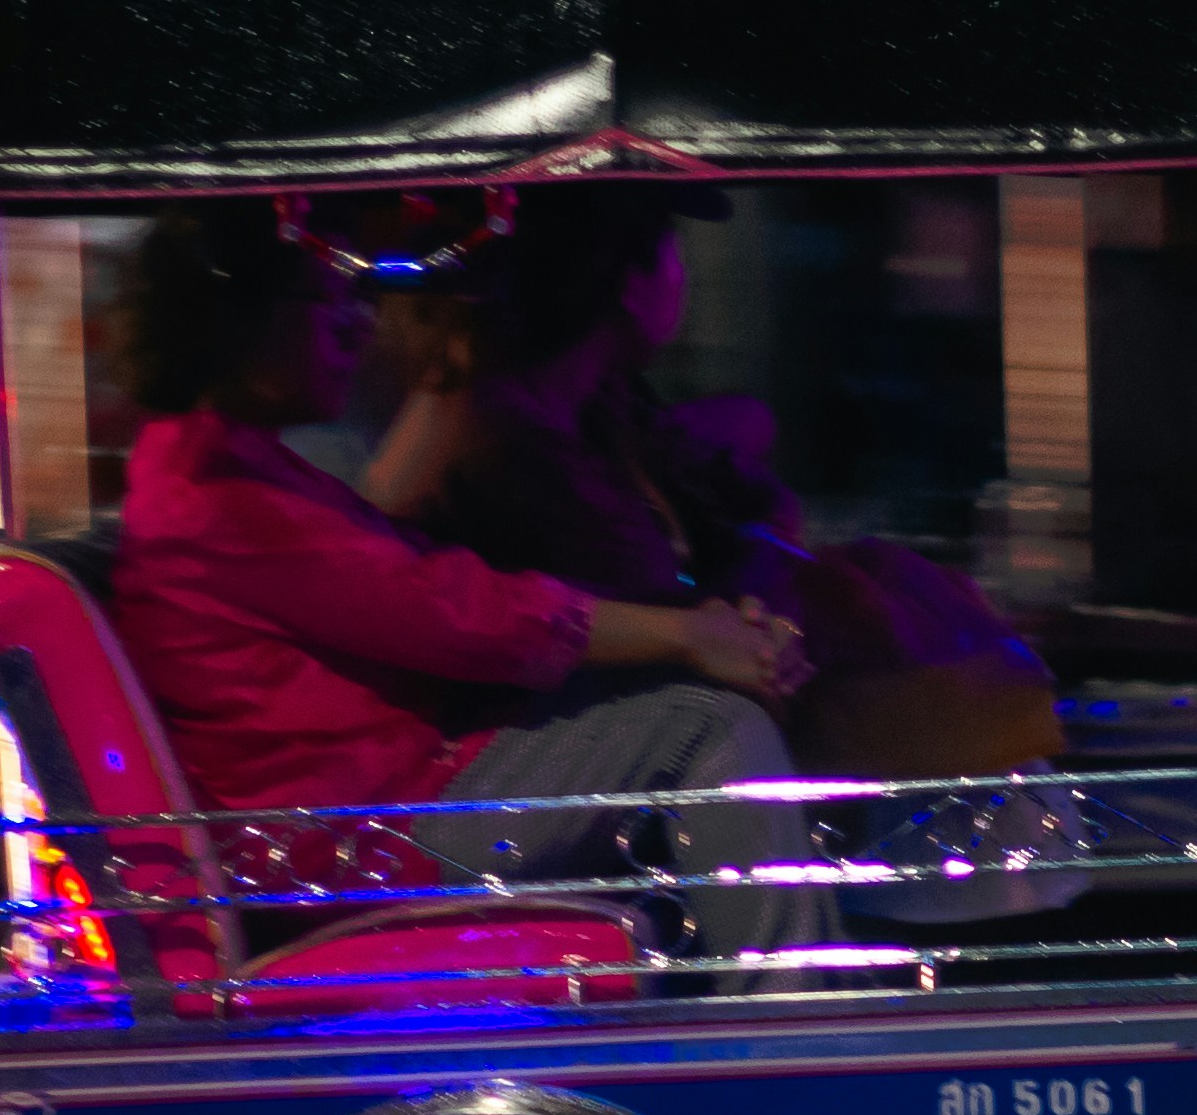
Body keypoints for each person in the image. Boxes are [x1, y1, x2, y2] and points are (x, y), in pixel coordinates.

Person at [105, 202, 827, 950]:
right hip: (356, 844)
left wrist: (701, 634)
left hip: (386, 801)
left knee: (683, 697)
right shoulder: (215, 496)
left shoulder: (231, 463)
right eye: (327, 302)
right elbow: (456, 612)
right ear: (238, 318)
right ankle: (794, 1003)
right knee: (713, 728)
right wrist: (689, 633)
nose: (357, 327)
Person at [364, 186, 1062, 788]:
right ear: (628, 280)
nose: (684, 277)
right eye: (671, 250)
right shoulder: (516, 449)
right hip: (625, 758)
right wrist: (762, 564)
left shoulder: (595, 415)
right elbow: (664, 635)